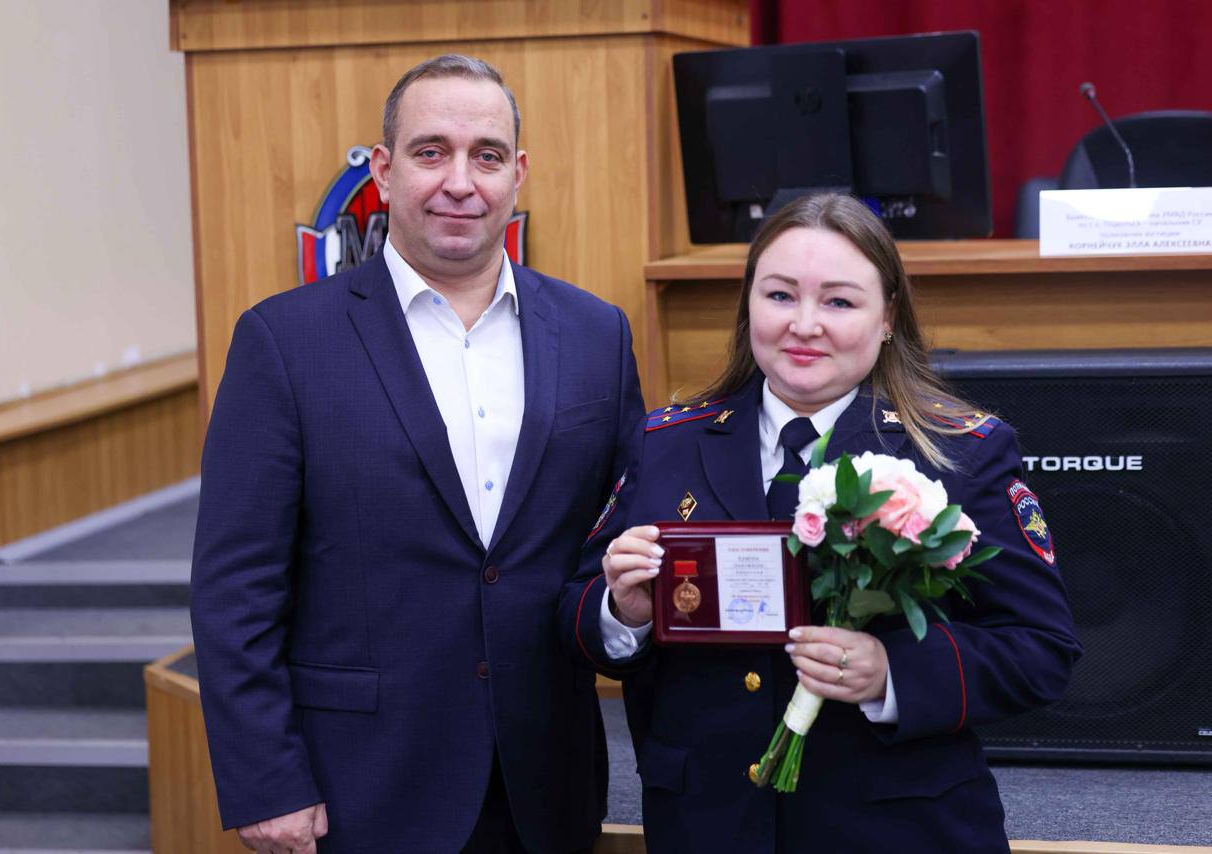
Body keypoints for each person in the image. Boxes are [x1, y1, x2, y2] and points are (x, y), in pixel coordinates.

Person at [191, 54, 642, 853]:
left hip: (546, 782)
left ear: (519, 173)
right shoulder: (284, 342)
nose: (460, 181)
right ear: (384, 170)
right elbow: (236, 588)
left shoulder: (596, 335)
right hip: (360, 786)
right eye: (431, 152)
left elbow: (612, 540)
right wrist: (268, 779)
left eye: (487, 155)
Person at [560, 193, 1081, 853]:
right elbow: (574, 614)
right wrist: (622, 610)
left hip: (896, 829)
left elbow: (1041, 648)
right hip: (708, 827)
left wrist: (890, 673)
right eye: (780, 296)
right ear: (748, 303)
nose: (805, 325)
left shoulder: (958, 453)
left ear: (888, 317)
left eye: (839, 302)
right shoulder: (667, 442)